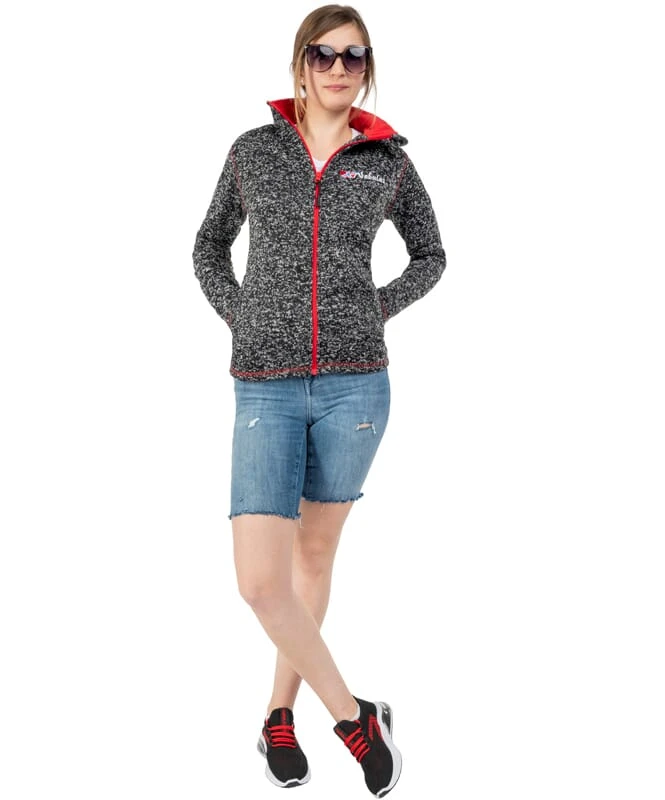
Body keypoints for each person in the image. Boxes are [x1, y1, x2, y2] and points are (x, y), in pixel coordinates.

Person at [192, 4, 446, 796]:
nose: (339, 68)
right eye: (324, 54)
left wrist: (375, 307)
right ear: (300, 64)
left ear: (366, 68)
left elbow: (430, 254)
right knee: (258, 582)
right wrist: (241, 314)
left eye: (354, 56)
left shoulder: (387, 162)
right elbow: (208, 245)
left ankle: (278, 714)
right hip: (264, 385)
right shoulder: (253, 150)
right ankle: (353, 717)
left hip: (354, 386)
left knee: (311, 558)